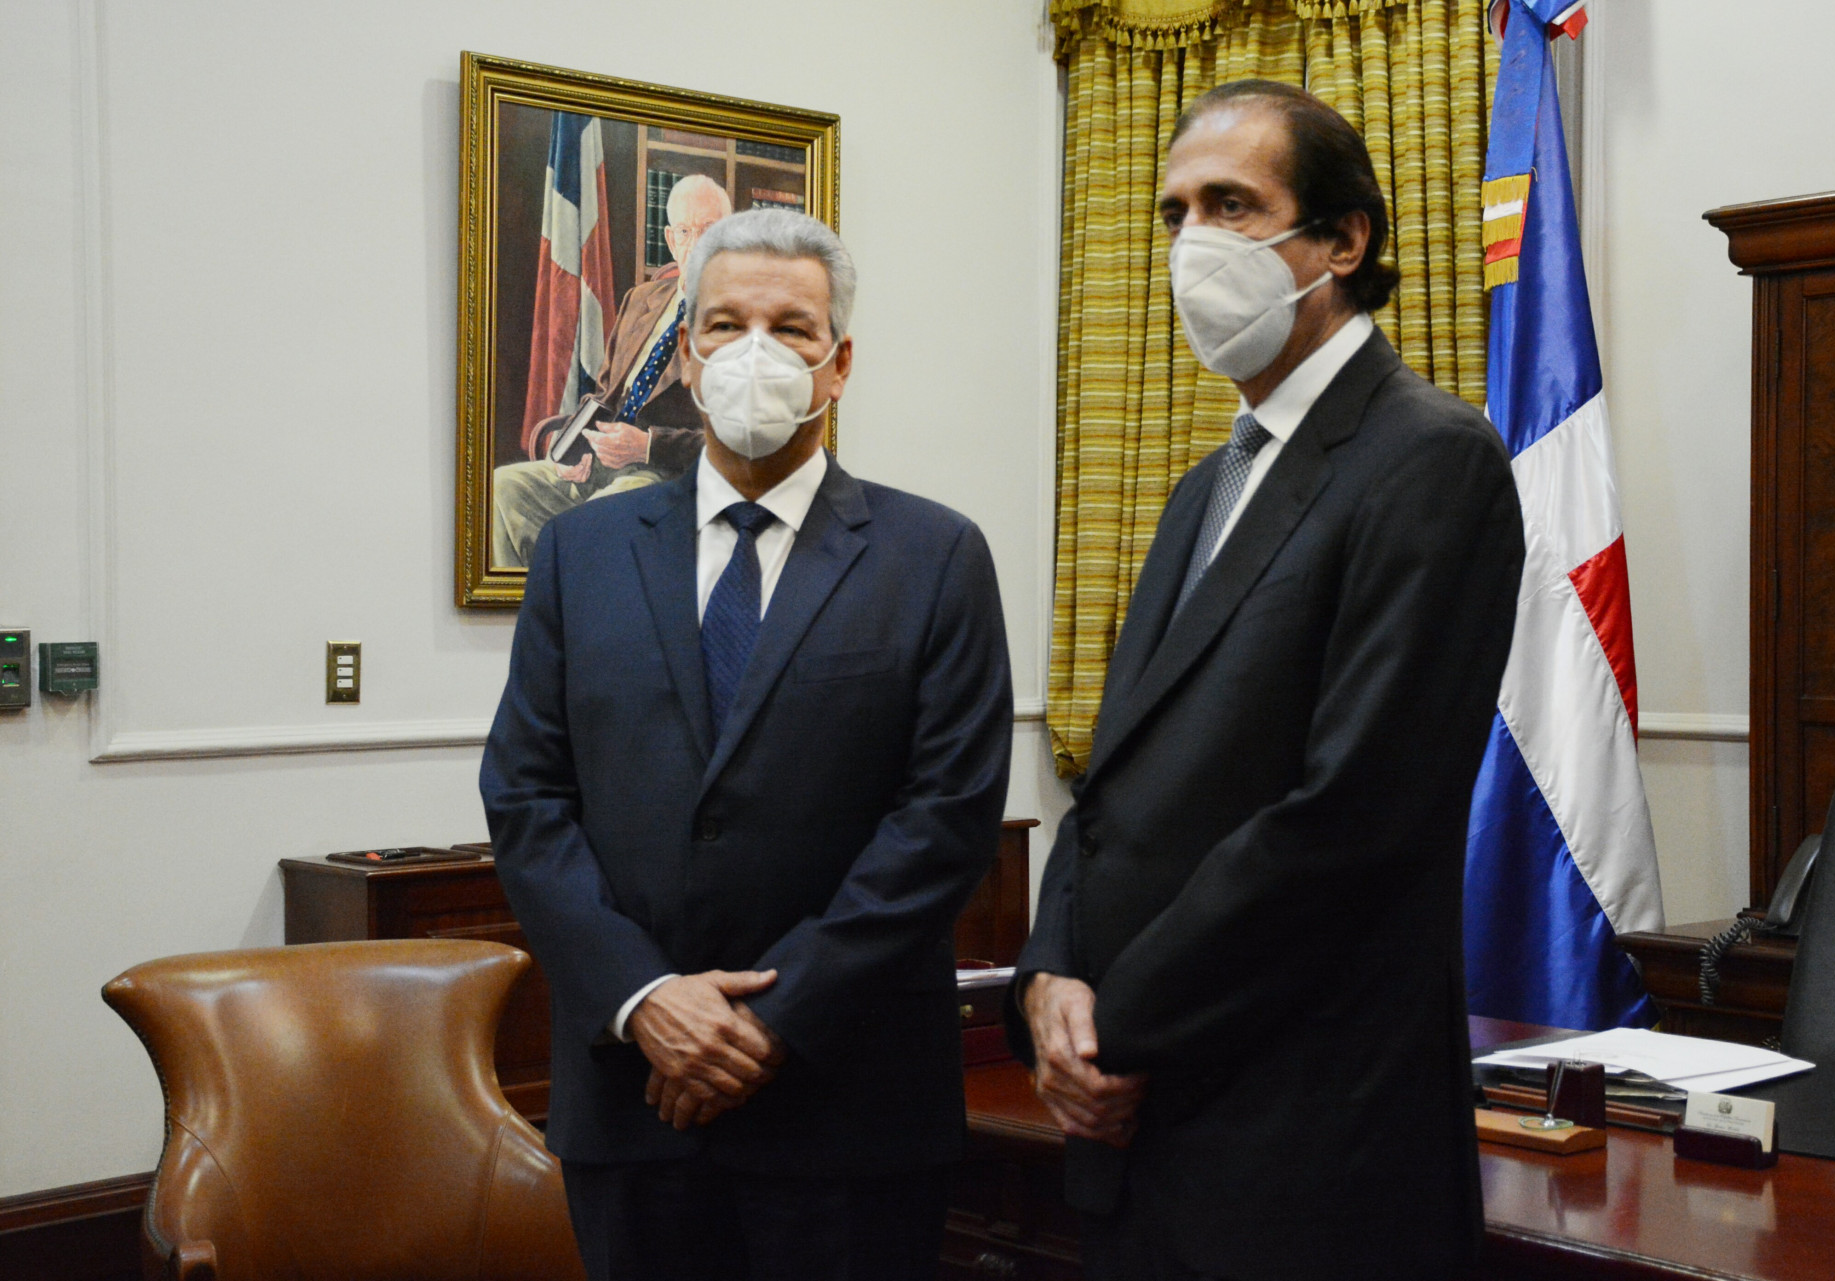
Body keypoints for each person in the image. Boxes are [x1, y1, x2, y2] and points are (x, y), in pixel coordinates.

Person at [1007, 80, 1525, 1281]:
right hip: (1141, 1134)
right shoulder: (1207, 484)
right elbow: (1117, 778)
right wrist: (1047, 978)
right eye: (1175, 211)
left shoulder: (1431, 458)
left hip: (1305, 1142)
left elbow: (1352, 817)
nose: (1193, 241)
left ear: (1343, 240)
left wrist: (1114, 1026)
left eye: (1232, 205)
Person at [480, 206, 1014, 1281]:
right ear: (686, 354)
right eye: (725, 325)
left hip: (848, 1104)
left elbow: (946, 818)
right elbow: (528, 797)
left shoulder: (935, 555)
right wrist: (646, 999)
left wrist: (774, 1021)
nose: (755, 351)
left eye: (792, 327)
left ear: (839, 363)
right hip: (633, 1098)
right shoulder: (581, 553)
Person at [491, 173, 732, 569]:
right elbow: (604, 394)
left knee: (593, 520)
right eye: (686, 231)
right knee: (504, 488)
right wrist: (573, 446)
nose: (696, 244)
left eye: (709, 230)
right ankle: (516, 603)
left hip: (663, 475)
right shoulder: (640, 300)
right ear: (671, 240)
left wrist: (647, 445)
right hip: (602, 459)